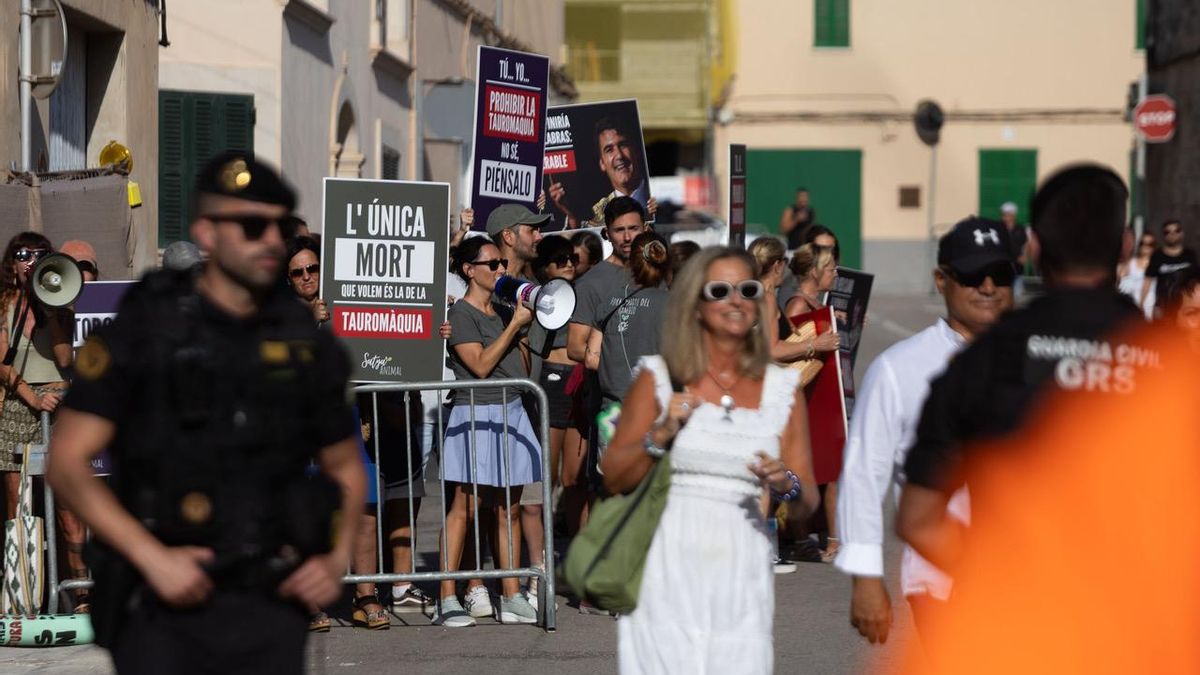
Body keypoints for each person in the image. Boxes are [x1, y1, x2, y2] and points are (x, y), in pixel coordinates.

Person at [46, 153, 366, 672]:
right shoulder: (147, 327)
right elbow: (66, 461)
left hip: (267, 600)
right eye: (252, 226)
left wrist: (333, 559)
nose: (271, 240)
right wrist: (150, 557)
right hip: (164, 602)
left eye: (279, 226)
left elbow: (347, 466)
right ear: (207, 232)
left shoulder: (300, 337)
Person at [896, 164, 1158, 582]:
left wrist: (1003, 583)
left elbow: (918, 520)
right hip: (1143, 610)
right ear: (1126, 245)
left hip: (1019, 614)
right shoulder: (1173, 360)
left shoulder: (980, 359)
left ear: (1033, 247)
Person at [600, 246, 819, 674]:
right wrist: (660, 435)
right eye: (720, 290)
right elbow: (615, 475)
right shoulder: (658, 378)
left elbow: (806, 500)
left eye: (748, 289)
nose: (736, 300)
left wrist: (785, 483)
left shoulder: (782, 390)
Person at [834, 217, 1016, 644]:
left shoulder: (1039, 359)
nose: (988, 286)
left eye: (1000, 274)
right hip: (943, 584)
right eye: (972, 275)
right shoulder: (899, 368)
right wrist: (865, 576)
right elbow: (863, 474)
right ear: (941, 280)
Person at [438, 236, 541, 627]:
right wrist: (514, 325)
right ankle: (446, 596)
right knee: (464, 508)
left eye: (502, 263)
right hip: (476, 413)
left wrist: (522, 326)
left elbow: (522, 366)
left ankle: (511, 595)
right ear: (469, 270)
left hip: (511, 410)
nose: (501, 269)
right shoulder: (461, 314)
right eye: (492, 264)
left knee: (509, 508)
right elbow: (480, 366)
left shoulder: (502, 308)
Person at [0, 233, 82, 607]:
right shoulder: (4, 304)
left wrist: (49, 312)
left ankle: (81, 595)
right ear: (12, 264)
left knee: (68, 504)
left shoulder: (61, 302)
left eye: (40, 254)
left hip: (59, 400)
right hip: (20, 403)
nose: (30, 260)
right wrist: (33, 398)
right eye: (23, 254)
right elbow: (2, 362)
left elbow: (64, 360)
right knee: (18, 505)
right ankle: (21, 596)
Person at [520, 235, 581, 602]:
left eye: (572, 258)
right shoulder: (540, 296)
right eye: (560, 260)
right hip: (552, 384)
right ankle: (540, 563)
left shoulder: (583, 292)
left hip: (579, 386)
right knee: (549, 479)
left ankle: (575, 561)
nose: (569, 264)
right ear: (544, 268)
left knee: (574, 481)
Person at [749, 236, 838, 363]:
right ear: (777, 266)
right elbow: (772, 350)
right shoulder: (767, 298)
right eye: (785, 260)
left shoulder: (752, 294)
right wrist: (814, 344)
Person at [1140, 219, 1196, 318]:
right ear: (1163, 235)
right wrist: (1140, 305)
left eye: (1176, 231)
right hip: (1163, 309)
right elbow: (1147, 282)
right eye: (1167, 232)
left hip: (1186, 308)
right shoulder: (1157, 256)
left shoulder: (1190, 255)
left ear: (1182, 233)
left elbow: (1196, 282)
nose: (1172, 234)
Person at [284, 236, 327, 325]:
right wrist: (312, 319)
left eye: (312, 269)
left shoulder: (337, 300)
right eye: (297, 273)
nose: (306, 277)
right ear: (288, 278)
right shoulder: (279, 312)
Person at [1119, 228, 1157, 319]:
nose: (1146, 247)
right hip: (1129, 311)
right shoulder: (1130, 263)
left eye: (1150, 244)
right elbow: (1119, 284)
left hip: (1148, 312)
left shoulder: (1157, 265)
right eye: (1143, 243)